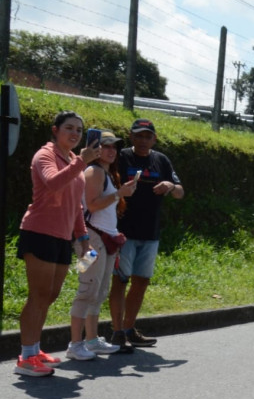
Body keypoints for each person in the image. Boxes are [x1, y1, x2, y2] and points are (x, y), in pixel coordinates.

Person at [14, 111, 100, 376]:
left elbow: (75, 206)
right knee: (38, 296)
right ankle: (26, 358)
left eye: (78, 130)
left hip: (62, 237)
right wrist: (81, 163)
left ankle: (34, 348)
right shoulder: (45, 155)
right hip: (39, 232)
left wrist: (83, 239)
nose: (74, 134)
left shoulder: (74, 159)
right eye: (69, 128)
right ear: (55, 130)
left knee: (49, 296)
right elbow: (52, 183)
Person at [109, 119, 184, 351]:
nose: (143, 140)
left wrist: (169, 186)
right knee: (120, 281)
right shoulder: (120, 157)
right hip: (124, 232)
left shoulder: (161, 160)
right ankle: (117, 332)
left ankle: (130, 328)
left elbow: (180, 192)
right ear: (131, 137)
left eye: (147, 136)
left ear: (154, 138)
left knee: (141, 282)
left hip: (151, 233)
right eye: (138, 136)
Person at [66, 131, 138, 360]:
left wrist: (119, 193)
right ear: (95, 149)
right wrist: (119, 193)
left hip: (106, 238)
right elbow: (93, 206)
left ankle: (92, 340)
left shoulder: (106, 173)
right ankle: (75, 343)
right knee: (87, 289)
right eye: (105, 146)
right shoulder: (94, 171)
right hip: (90, 239)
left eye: (114, 147)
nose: (111, 150)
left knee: (99, 291)